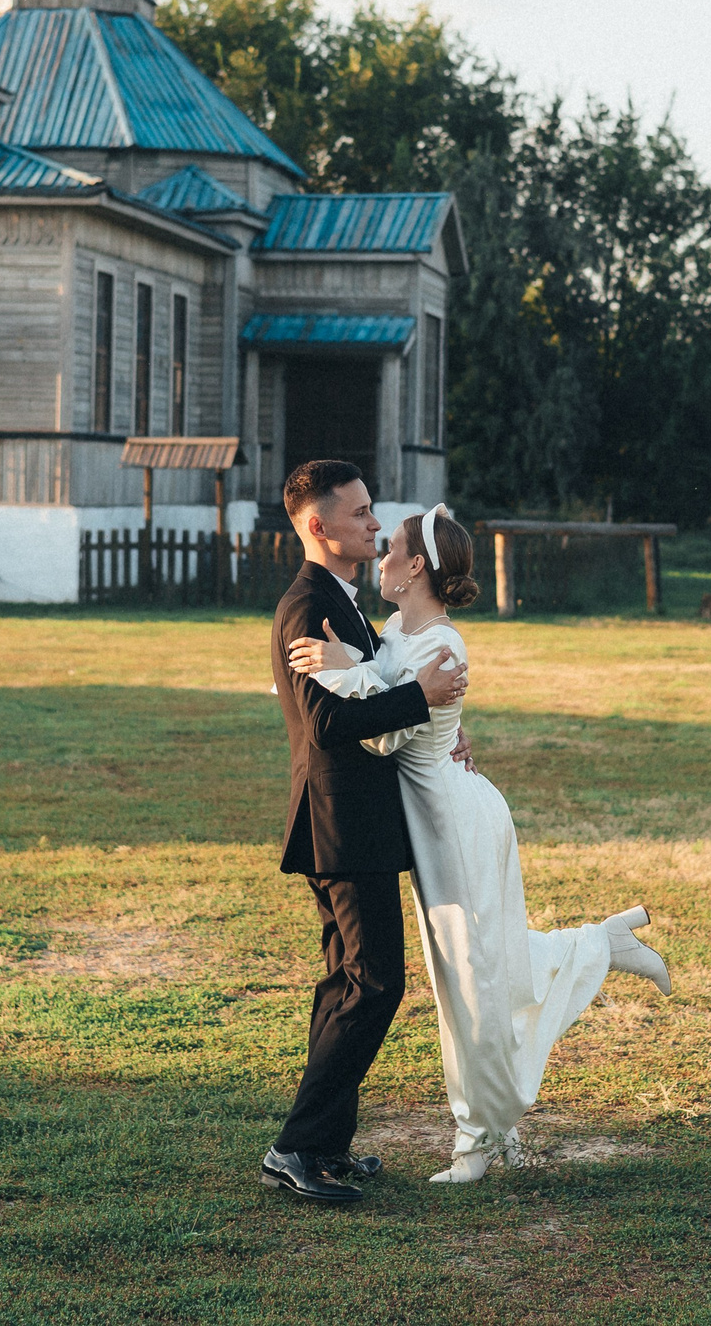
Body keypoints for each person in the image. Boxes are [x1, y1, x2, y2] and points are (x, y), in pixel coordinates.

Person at [290, 503, 671, 1183]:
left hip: (457, 821)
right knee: (479, 969)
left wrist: (345, 670)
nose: (380, 554)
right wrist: (357, 666)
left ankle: (478, 1139)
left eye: (393, 548)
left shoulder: (443, 643)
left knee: (473, 981)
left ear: (415, 568)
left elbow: (386, 735)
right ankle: (597, 948)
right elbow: (398, 699)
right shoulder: (397, 632)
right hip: (431, 821)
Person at [260, 459, 470, 1206]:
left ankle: (324, 1147)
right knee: (376, 984)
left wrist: (439, 724)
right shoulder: (306, 606)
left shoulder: (341, 600)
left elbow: (367, 682)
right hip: (343, 826)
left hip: (358, 824)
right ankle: (295, 1146)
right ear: (319, 526)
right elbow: (329, 724)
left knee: (344, 983)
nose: (376, 526)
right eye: (360, 515)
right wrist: (422, 696)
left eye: (374, 512)